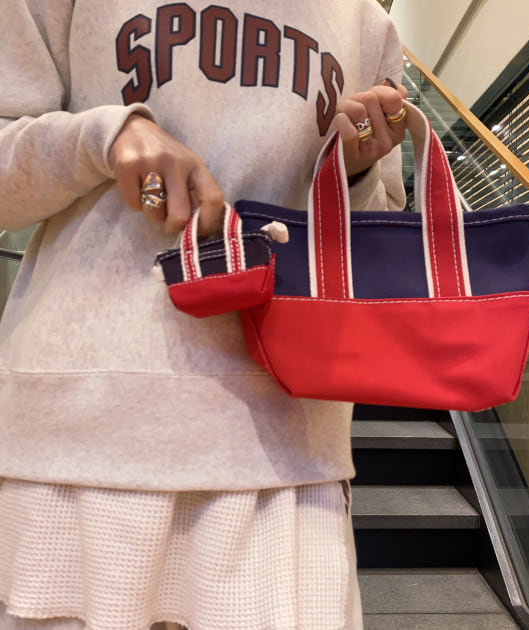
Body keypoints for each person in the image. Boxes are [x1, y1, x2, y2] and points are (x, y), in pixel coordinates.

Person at [0, 1, 407, 628]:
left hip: (284, 445)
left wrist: (354, 172)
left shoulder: (366, 23)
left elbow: (378, 238)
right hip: (78, 434)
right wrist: (104, 137)